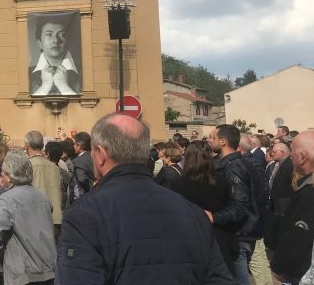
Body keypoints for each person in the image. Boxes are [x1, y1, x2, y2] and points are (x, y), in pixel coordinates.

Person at [55, 113, 234, 284]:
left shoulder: (83, 215)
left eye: (93, 151)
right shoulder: (192, 212)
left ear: (101, 154)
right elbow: (219, 278)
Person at [0, 149, 57, 285]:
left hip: (22, 272)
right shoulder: (41, 196)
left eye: (3, 172)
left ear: (8, 176)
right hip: (47, 269)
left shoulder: (7, 199)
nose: (1, 175)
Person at [168, 140, 237, 276]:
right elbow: (230, 207)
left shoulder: (177, 184)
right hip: (218, 238)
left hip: (189, 239)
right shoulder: (221, 181)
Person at [210, 124, 266, 285]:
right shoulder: (246, 163)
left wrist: (214, 217)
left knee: (238, 278)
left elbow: (240, 205)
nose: (210, 141)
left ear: (222, 142)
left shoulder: (232, 166)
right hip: (247, 230)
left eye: (213, 138)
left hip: (238, 233)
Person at [266, 131, 314, 284]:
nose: (290, 157)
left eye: (292, 152)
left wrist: (279, 266)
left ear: (302, 157)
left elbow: (299, 235)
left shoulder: (309, 194)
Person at [29, 15, 80, 96]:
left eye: (61, 34)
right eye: (49, 34)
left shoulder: (84, 73)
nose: (55, 40)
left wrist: (64, 87)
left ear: (68, 41)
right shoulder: (27, 75)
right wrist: (45, 87)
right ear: (39, 43)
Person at [24, 131, 62, 238]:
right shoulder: (54, 167)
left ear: (27, 146)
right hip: (55, 219)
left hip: (35, 220)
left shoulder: (27, 165)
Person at [71, 131, 93, 199]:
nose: (73, 146)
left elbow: (82, 179)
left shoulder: (78, 161)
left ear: (79, 146)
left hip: (83, 197)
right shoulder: (94, 156)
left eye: (74, 144)